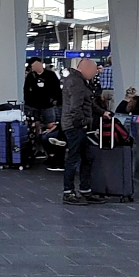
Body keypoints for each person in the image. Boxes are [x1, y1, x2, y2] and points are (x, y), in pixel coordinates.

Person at [60, 57, 109, 204]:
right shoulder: (76, 83)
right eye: (93, 71)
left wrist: (102, 113)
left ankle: (85, 190)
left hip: (76, 125)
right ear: (85, 68)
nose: (95, 74)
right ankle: (68, 192)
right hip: (75, 127)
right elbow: (76, 107)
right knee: (74, 159)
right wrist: (82, 123)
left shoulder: (79, 81)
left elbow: (88, 103)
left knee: (87, 158)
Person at [22, 57, 62, 138]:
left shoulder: (51, 75)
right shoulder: (31, 76)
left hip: (48, 105)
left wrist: (55, 100)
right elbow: (26, 90)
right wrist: (28, 101)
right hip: (34, 105)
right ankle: (38, 144)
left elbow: (57, 88)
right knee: (36, 125)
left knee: (51, 124)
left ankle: (50, 141)